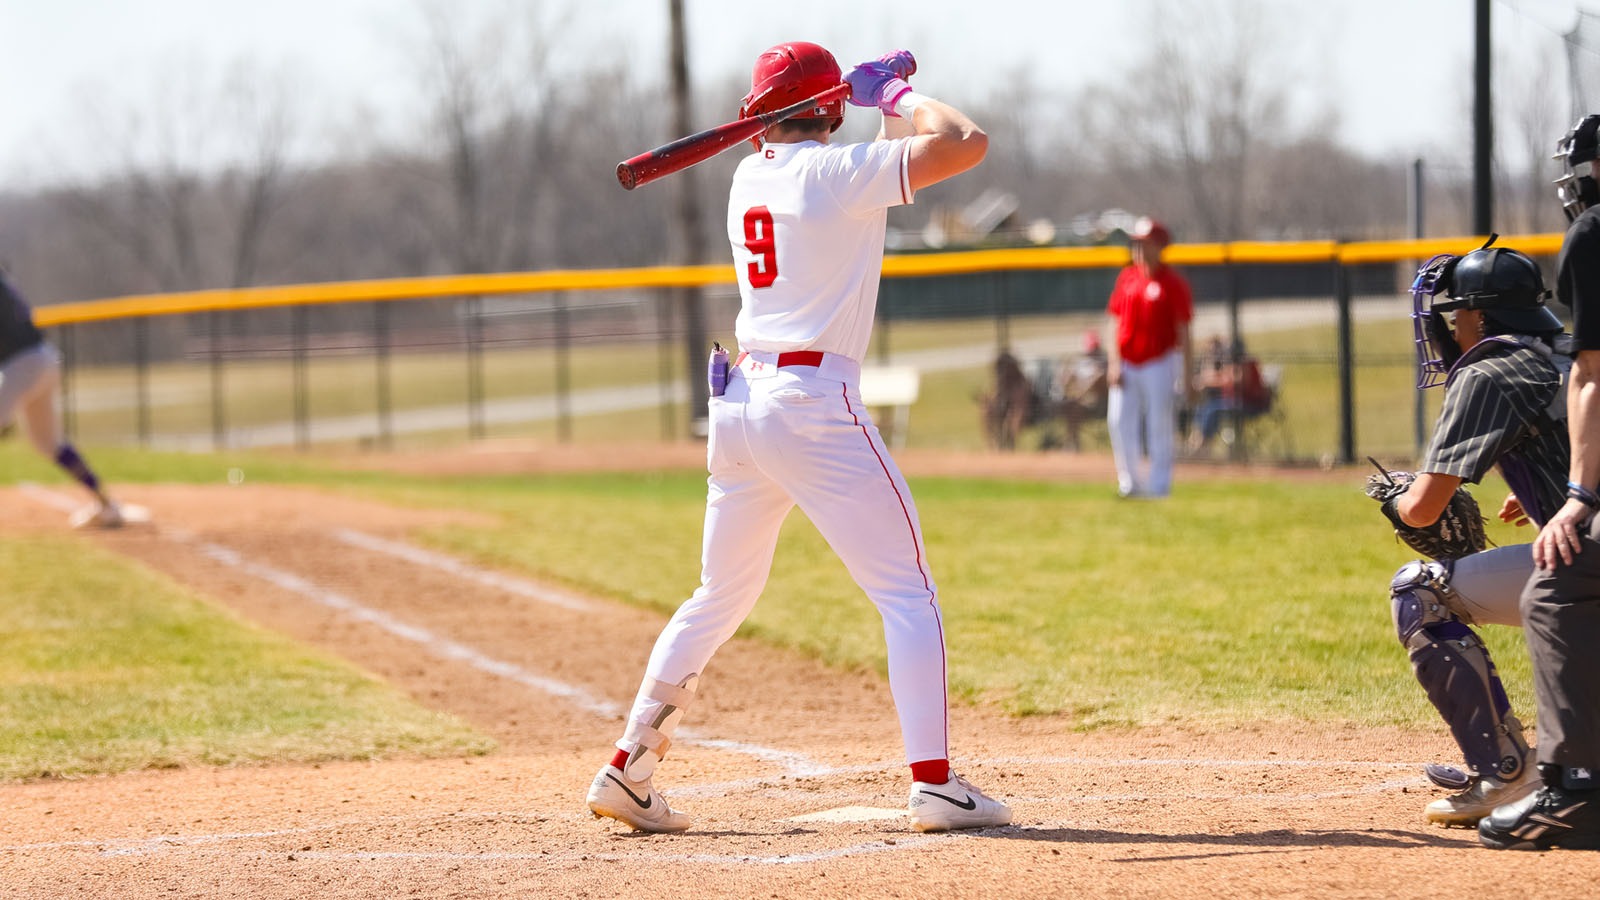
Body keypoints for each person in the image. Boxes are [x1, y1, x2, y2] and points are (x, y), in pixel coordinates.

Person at [585, 43, 1010, 835]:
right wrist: (902, 96)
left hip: (742, 406)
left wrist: (862, 110)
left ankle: (628, 767)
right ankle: (936, 785)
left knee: (718, 594)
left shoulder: (756, 177)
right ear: (829, 110)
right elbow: (966, 141)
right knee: (907, 593)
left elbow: (878, 174)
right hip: (814, 404)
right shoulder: (835, 176)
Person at [1384, 240, 1570, 827]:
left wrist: (1400, 501)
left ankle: (1507, 773)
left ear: (1481, 316)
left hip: (1588, 565)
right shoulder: (1567, 351)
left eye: (1456, 312)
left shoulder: (1490, 369)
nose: (1448, 326)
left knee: (1418, 591)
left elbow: (1423, 509)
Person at [1480, 113, 1600, 851]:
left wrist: (1580, 500)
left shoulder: (1592, 234)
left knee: (1559, 581)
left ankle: (1572, 790)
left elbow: (1592, 376)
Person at [1, 268, 127, 528]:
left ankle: (106, 504)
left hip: (21, 364)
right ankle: (106, 504)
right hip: (44, 358)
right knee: (48, 443)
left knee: (46, 441)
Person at [1104, 217, 1193, 497]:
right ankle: (1129, 483)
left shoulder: (1172, 283)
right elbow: (1113, 323)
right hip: (1128, 362)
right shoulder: (1127, 278)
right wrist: (1114, 363)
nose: (1139, 249)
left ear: (1159, 246)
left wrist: (1187, 375)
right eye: (1137, 243)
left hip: (1159, 361)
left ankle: (1158, 485)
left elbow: (1184, 331)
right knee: (1118, 421)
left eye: (1145, 243)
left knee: (1159, 424)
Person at [1186, 337, 1269, 454]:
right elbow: (1220, 376)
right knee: (1204, 405)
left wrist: (1217, 379)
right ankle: (1196, 439)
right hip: (1234, 402)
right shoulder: (1233, 365)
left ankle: (1203, 444)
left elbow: (1238, 381)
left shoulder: (1247, 363)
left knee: (1213, 409)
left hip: (1250, 404)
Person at [1056, 329, 1109, 452]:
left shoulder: (1104, 363)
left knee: (1075, 405)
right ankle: (1072, 443)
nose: (1093, 352)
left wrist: (1081, 392)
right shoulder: (1081, 363)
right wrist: (1066, 375)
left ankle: (1072, 444)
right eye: (1091, 349)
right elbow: (1068, 380)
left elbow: (1100, 380)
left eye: (1095, 349)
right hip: (1080, 402)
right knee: (1071, 406)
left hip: (1100, 405)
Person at [980, 349, 1033, 451]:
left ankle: (1010, 444)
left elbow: (1020, 403)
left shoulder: (1021, 382)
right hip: (1004, 411)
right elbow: (994, 397)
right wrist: (988, 400)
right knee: (986, 410)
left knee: (1015, 415)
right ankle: (992, 445)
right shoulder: (1001, 381)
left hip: (1023, 413)